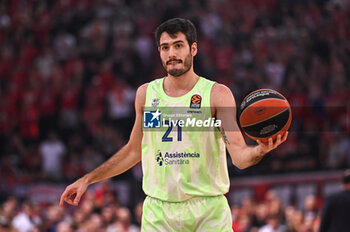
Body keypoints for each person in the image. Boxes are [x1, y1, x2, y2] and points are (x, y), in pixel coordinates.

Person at [59, 18, 288, 231]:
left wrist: (260, 149)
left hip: (207, 211)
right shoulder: (147, 95)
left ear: (193, 49)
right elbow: (133, 151)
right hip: (159, 212)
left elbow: (238, 155)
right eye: (165, 47)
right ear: (159, 52)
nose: (172, 53)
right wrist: (87, 179)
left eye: (178, 45)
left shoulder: (216, 95)